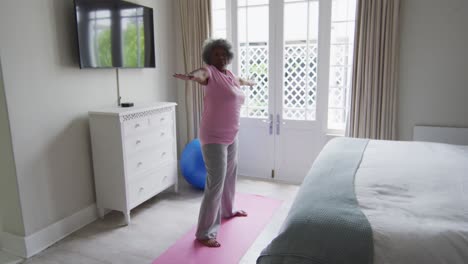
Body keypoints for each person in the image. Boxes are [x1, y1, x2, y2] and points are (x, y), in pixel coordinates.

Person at [173, 38, 256, 248]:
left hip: (231, 135)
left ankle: (228, 210)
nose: (221, 57)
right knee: (215, 184)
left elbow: (241, 81)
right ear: (209, 57)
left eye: (224, 54)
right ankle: (203, 232)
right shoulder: (209, 72)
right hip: (213, 138)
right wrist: (192, 76)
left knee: (229, 176)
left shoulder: (229, 75)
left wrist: (250, 82)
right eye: (216, 54)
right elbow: (200, 75)